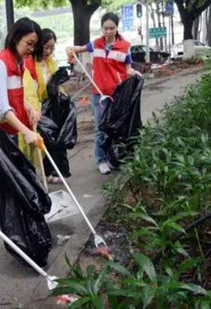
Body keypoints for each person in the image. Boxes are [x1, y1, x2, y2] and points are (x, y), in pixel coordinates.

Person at [66, 12, 141, 175]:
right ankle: (101, 160)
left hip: (118, 95)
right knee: (101, 127)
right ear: (102, 28)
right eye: (105, 28)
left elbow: (127, 69)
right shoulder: (97, 44)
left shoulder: (125, 47)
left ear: (116, 28)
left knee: (117, 127)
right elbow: (82, 48)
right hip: (99, 94)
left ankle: (114, 157)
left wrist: (134, 73)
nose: (108, 32)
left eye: (111, 28)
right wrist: (72, 49)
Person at [0, 17, 41, 147]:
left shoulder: (19, 62)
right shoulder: (0, 65)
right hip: (0, 133)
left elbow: (14, 95)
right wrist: (26, 132)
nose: (32, 49)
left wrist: (29, 107)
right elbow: (1, 108)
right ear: (16, 38)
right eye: (29, 43)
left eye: (35, 45)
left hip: (12, 130)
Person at [23, 28, 68, 184]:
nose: (48, 51)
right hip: (38, 108)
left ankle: (52, 171)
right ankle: (41, 173)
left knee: (53, 139)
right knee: (42, 141)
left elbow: (56, 83)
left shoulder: (50, 62)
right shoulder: (29, 64)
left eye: (52, 47)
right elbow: (29, 89)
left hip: (52, 107)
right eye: (46, 46)